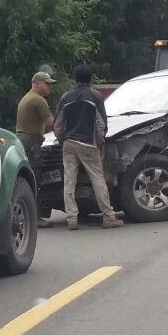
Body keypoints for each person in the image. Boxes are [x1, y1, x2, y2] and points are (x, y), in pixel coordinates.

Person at [54, 64, 124, 230]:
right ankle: (108, 217)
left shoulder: (66, 97)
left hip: (69, 144)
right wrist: (99, 141)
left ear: (74, 78)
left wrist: (63, 140)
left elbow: (58, 125)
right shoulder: (95, 96)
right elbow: (101, 123)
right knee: (98, 179)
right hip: (88, 143)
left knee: (69, 182)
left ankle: (71, 219)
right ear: (91, 79)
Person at [16, 71, 56, 228]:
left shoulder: (26, 97)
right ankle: (36, 216)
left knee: (27, 177)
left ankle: (28, 214)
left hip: (23, 140)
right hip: (32, 142)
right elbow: (51, 123)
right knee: (36, 178)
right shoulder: (38, 100)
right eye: (47, 84)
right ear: (38, 83)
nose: (49, 88)